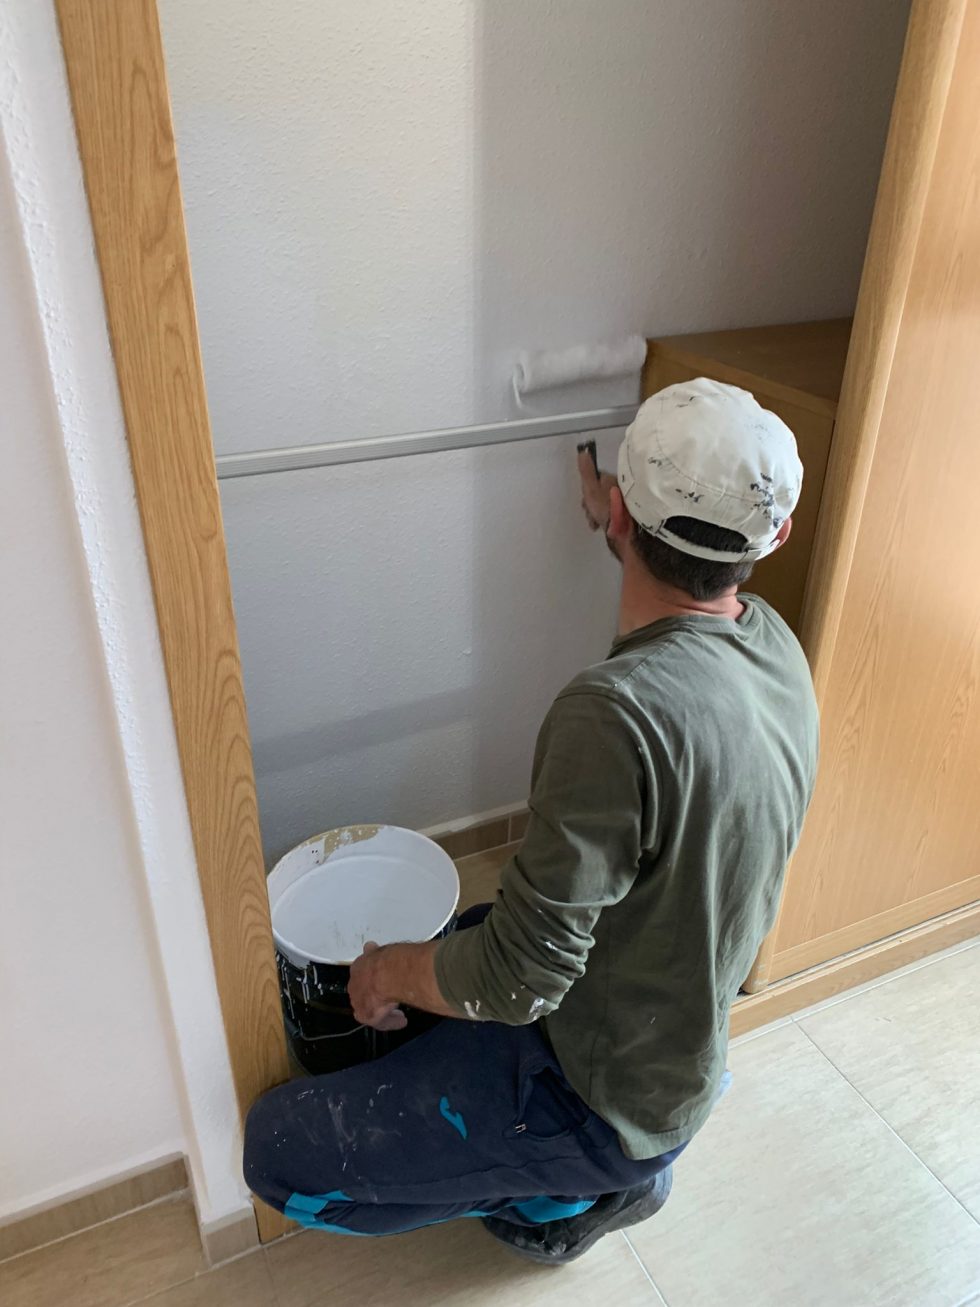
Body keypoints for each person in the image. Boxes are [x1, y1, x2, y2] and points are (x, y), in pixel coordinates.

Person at [243, 377, 819, 1264]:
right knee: (473, 932)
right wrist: (618, 516)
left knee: (275, 1150)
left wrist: (386, 970)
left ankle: (567, 1194)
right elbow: (684, 578)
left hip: (599, 1096)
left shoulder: (614, 713)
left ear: (621, 513)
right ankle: (605, 1159)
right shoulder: (773, 646)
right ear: (773, 538)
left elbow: (519, 981)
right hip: (668, 1047)